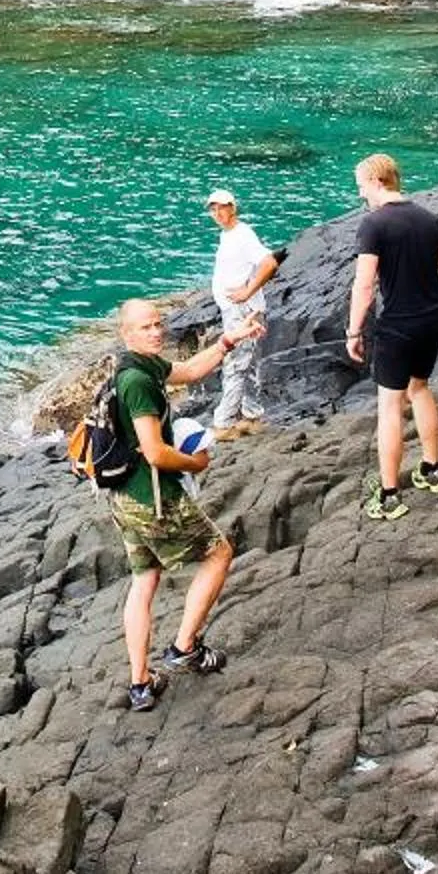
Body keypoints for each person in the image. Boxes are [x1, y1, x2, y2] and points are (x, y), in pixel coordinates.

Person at [104, 297, 261, 712]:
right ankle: (184, 648)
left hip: (122, 497)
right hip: (151, 499)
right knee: (219, 552)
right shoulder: (137, 383)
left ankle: (140, 684)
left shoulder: (135, 365)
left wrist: (229, 340)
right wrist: (196, 462)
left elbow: (189, 371)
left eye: (159, 323)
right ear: (126, 333)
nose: (156, 331)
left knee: (145, 580)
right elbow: (155, 452)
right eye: (146, 327)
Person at [342, 154, 438, 521]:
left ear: (378, 181)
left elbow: (365, 284)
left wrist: (353, 330)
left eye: (362, 187)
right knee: (420, 388)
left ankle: (388, 494)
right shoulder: (429, 219)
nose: (361, 194)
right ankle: (431, 469)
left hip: (397, 326)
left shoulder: (374, 225)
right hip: (433, 320)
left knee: (389, 406)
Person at [205, 188, 278, 435]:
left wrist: (247, 291)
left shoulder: (242, 234)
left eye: (222, 207)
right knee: (247, 362)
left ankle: (223, 423)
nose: (217, 213)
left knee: (235, 364)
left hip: (243, 310)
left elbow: (269, 262)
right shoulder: (228, 235)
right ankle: (252, 413)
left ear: (233, 208)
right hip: (238, 308)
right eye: (213, 209)